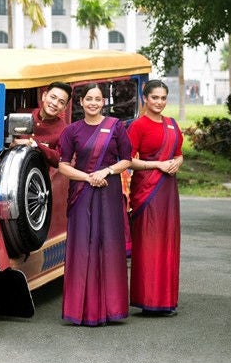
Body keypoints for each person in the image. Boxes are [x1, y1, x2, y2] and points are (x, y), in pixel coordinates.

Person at [57, 83, 133, 326]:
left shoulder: (116, 127)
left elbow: (127, 160)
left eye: (97, 99)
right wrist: (88, 177)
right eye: (88, 98)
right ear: (80, 102)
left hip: (108, 192)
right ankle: (81, 310)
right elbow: (63, 165)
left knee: (108, 245)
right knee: (82, 247)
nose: (93, 103)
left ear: (103, 102)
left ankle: (111, 309)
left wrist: (106, 171)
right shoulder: (72, 131)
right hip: (81, 193)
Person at [126, 79, 184, 316]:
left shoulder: (172, 124)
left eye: (163, 98)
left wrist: (177, 163)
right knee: (149, 245)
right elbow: (127, 160)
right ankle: (148, 298)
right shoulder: (138, 126)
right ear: (145, 99)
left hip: (168, 191)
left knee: (168, 243)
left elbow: (179, 154)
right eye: (154, 97)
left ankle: (166, 300)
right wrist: (157, 164)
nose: (159, 102)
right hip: (147, 192)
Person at [26, 81, 72, 168]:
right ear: (44, 96)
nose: (55, 103)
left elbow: (60, 160)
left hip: (37, 177)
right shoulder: (23, 114)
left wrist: (34, 144)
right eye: (53, 97)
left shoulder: (64, 130)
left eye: (61, 102)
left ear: (64, 108)